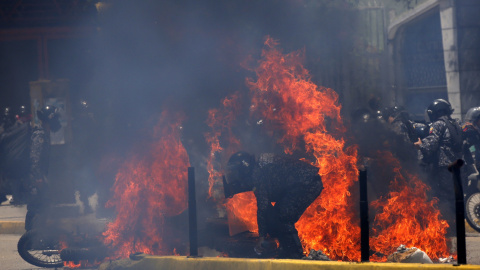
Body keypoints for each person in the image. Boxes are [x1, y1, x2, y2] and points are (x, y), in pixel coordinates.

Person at [224, 151, 323, 259]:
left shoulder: (257, 174)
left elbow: (263, 207)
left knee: (283, 217)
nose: (235, 177)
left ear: (244, 169)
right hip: (300, 185)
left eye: (236, 173)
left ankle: (295, 256)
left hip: (307, 184)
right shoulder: (257, 167)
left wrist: (261, 237)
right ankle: (286, 250)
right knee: (274, 218)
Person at [414, 99, 463, 236]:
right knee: (455, 197)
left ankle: (447, 229)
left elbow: (432, 144)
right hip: (458, 167)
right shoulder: (456, 124)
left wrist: (420, 144)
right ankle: (456, 227)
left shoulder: (438, 124)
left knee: (443, 197)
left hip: (444, 167)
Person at [24, 105, 62, 230]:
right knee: (35, 207)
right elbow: (34, 158)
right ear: (50, 119)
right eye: (55, 118)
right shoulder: (40, 135)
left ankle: (37, 235)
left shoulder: (44, 134)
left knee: (42, 205)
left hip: (38, 177)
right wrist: (38, 178)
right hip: (35, 179)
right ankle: (29, 239)